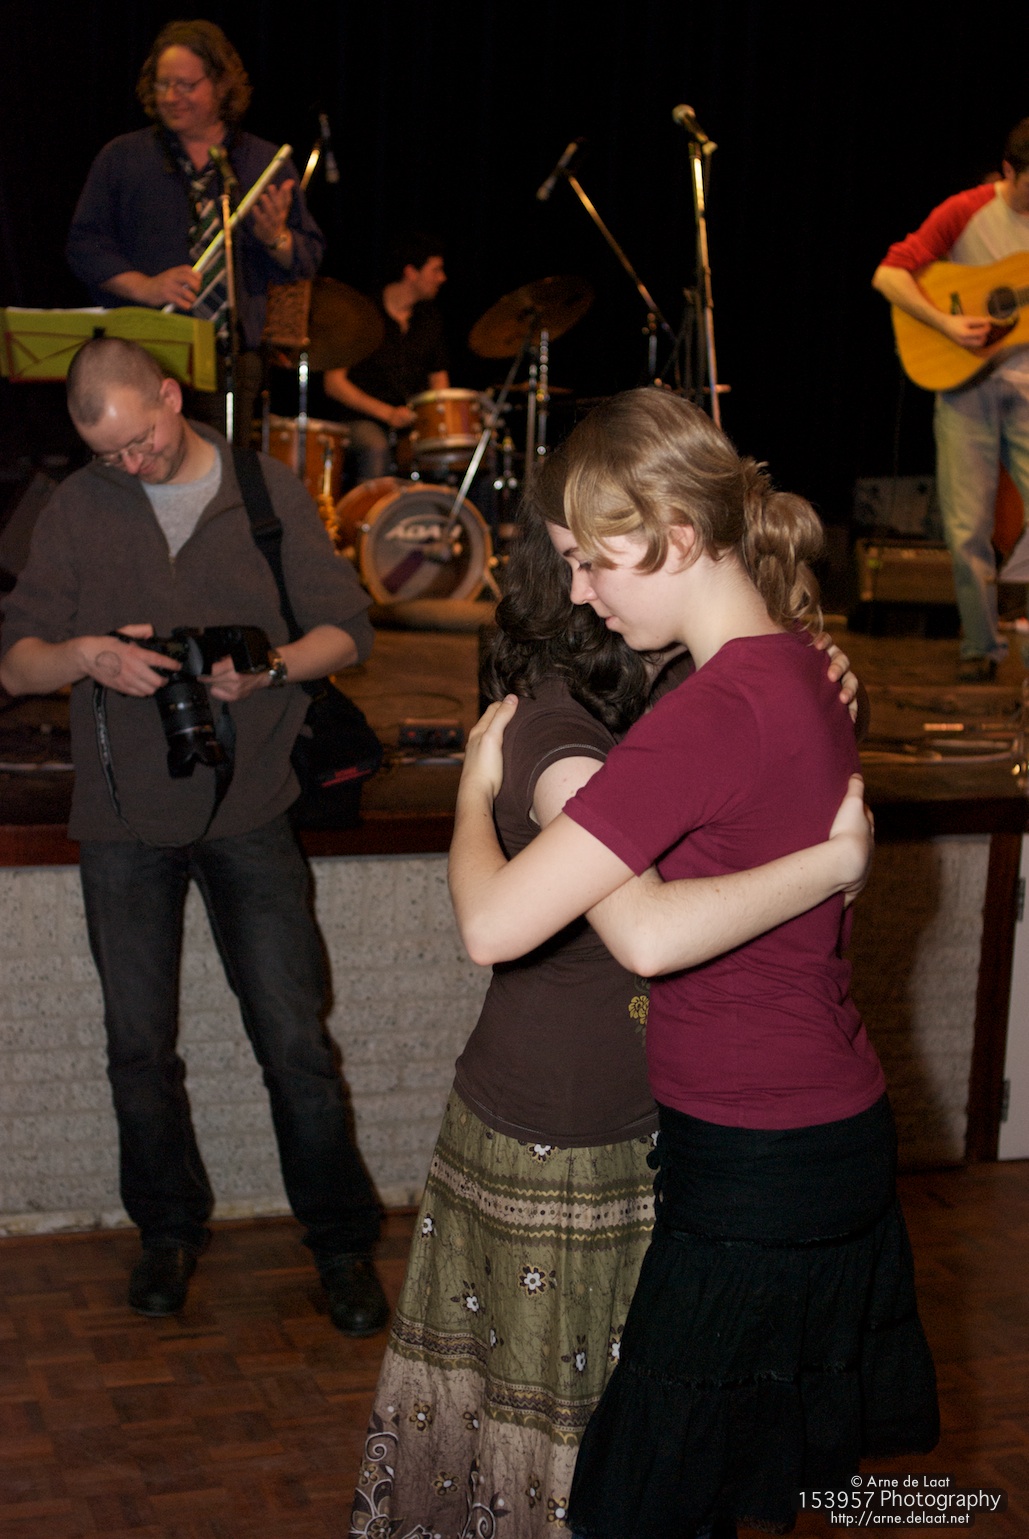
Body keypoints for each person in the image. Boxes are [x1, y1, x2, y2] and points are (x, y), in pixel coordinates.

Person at [448, 390, 939, 1539]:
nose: (579, 591)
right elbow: (664, 914)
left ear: (673, 536)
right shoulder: (802, 667)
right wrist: (830, 866)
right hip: (811, 1136)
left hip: (763, 1156)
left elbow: (500, 928)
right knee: (721, 1493)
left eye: (590, 561)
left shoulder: (713, 713)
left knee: (640, 1507)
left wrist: (475, 792)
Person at [350, 469, 876, 1539]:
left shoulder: (690, 700)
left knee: (619, 1427)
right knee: (564, 1432)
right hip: (561, 1127)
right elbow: (580, 928)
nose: (594, 586)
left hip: (633, 1121)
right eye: (579, 566)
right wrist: (469, 799)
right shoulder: (565, 740)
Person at [0, 337, 388, 1337]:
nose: (130, 463)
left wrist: (272, 669)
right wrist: (86, 656)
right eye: (108, 453)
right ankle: (167, 1233)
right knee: (138, 1048)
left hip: (252, 807)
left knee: (294, 1042)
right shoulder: (78, 505)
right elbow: (16, 662)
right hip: (121, 819)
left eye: (141, 440)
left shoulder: (262, 490)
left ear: (171, 396)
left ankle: (342, 1246)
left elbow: (349, 630)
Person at [67, 19, 324, 447]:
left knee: (220, 473)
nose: (171, 97)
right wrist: (146, 286)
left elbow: (307, 256)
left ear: (221, 85)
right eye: (163, 84)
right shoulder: (123, 158)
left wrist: (276, 239)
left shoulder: (264, 163)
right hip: (143, 354)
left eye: (185, 85)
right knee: (138, 466)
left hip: (229, 360)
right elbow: (84, 245)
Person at [872, 118, 1029, 681]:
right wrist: (946, 323)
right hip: (966, 387)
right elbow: (889, 275)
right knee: (966, 528)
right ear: (1009, 171)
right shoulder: (966, 209)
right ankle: (981, 648)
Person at [320, 233, 450, 482]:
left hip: (410, 422)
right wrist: (387, 413)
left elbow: (439, 382)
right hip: (361, 419)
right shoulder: (363, 313)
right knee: (376, 445)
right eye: (435, 270)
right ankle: (374, 508)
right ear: (411, 272)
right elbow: (334, 383)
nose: (442, 278)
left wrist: (436, 421)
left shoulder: (430, 320)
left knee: (460, 453)